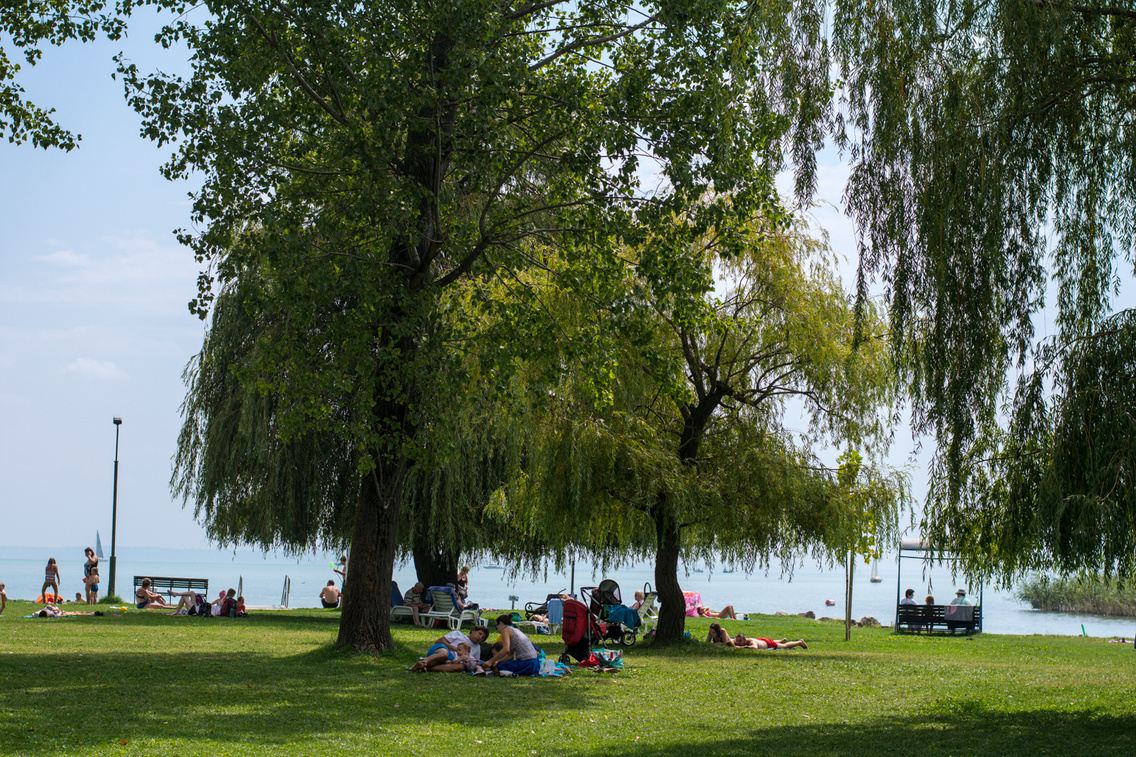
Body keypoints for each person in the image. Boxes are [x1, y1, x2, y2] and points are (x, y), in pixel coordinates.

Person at [411, 626, 491, 672]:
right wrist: (455, 649)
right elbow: (439, 641)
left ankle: (426, 668)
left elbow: (474, 662)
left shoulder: (477, 648)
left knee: (462, 667)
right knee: (444, 654)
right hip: (442, 650)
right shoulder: (458, 634)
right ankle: (424, 662)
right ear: (473, 631)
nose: (480, 637)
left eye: (482, 637)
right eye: (479, 633)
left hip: (453, 661)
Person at [733, 632, 807, 650]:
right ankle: (781, 640)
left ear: (745, 640)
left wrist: (738, 647)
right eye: (737, 641)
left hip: (767, 644)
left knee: (785, 646)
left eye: (740, 641)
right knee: (773, 641)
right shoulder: (736, 641)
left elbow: (754, 647)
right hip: (760, 640)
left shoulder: (752, 642)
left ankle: (799, 642)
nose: (738, 643)